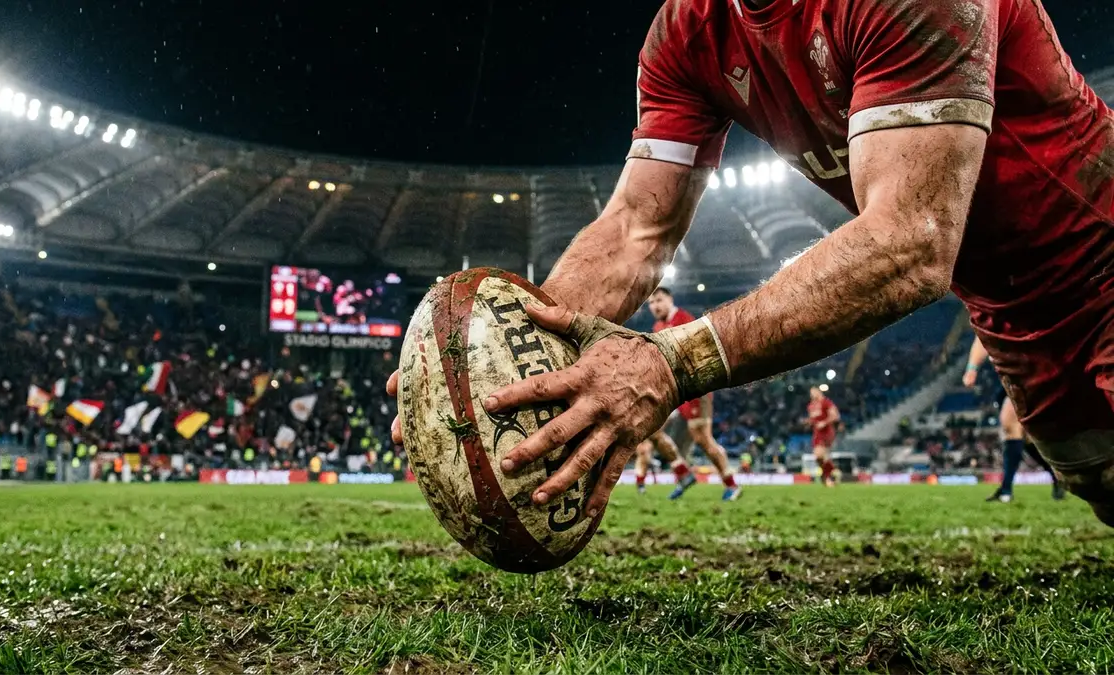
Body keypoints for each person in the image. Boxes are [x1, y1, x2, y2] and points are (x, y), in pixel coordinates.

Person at [400, 0, 1114, 526]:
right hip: (1006, 306)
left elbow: (912, 239)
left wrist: (668, 362)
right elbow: (635, 227)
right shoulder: (684, 31)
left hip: (1100, 252)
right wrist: (510, 357)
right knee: (1100, 479)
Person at [649, 287, 741, 500]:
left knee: (703, 440)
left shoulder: (684, 320)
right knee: (652, 430)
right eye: (651, 303)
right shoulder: (658, 327)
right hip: (677, 393)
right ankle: (684, 474)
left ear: (670, 300)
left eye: (659, 300)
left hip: (697, 389)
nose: (655, 306)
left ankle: (732, 484)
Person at [963, 336, 1066, 502]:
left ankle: (1006, 490)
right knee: (1024, 438)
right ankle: (1056, 475)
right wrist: (972, 368)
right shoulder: (992, 313)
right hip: (1007, 374)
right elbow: (981, 335)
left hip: (1033, 370)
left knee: (1010, 424)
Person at [806, 387, 839, 487]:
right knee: (819, 458)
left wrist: (824, 422)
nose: (812, 395)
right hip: (817, 433)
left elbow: (835, 416)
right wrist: (808, 422)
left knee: (820, 454)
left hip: (827, 432)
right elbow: (813, 419)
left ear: (819, 392)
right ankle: (832, 473)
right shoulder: (810, 406)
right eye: (811, 393)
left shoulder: (826, 402)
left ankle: (829, 476)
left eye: (814, 392)